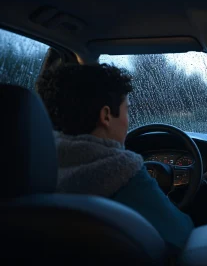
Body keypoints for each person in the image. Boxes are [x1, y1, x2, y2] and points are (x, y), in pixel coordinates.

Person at [36, 63, 194, 253]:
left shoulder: (33, 164)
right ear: (106, 116)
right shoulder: (122, 169)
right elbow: (180, 235)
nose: (128, 120)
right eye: (127, 109)